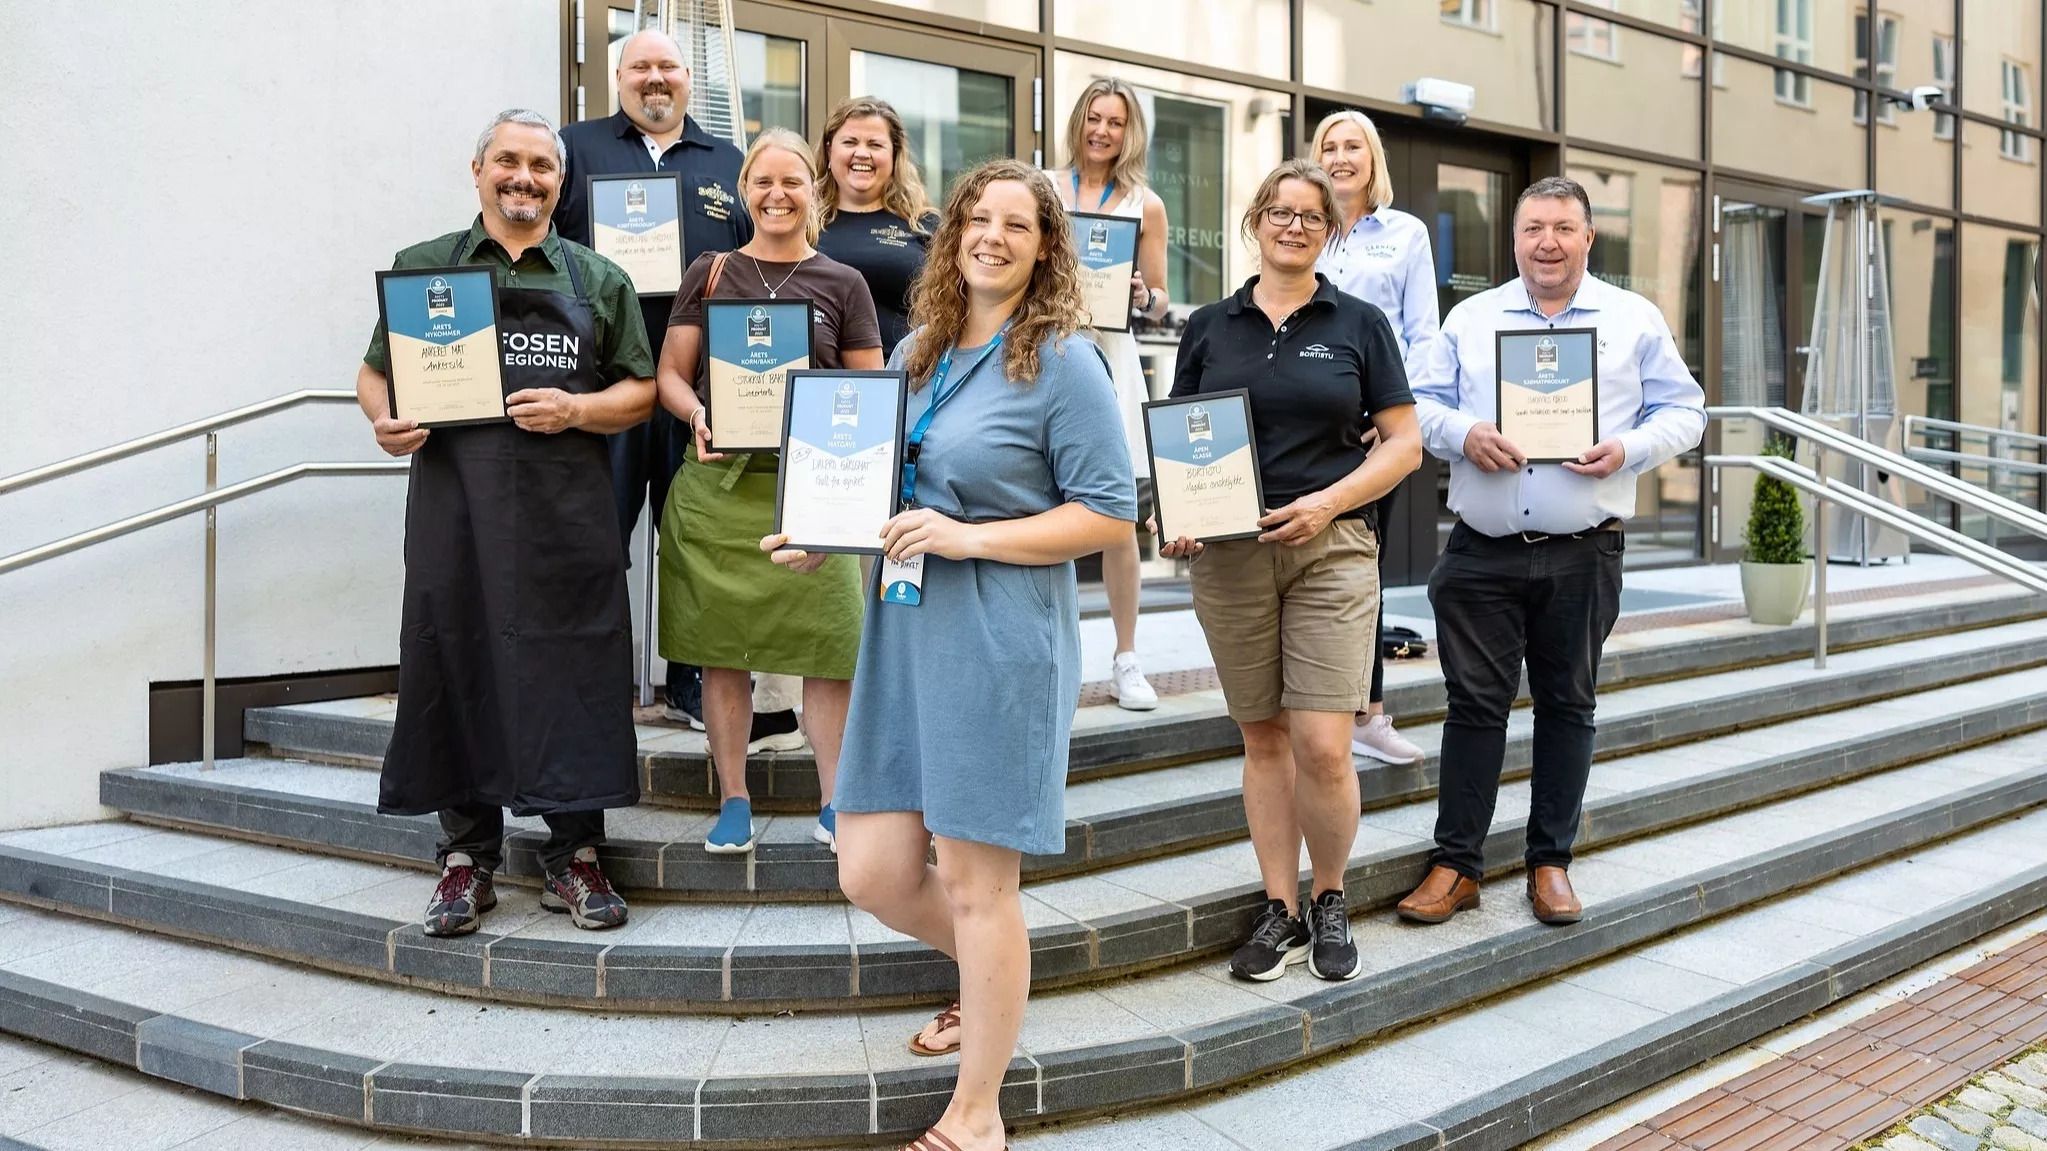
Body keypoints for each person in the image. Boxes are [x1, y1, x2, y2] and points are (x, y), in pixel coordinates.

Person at [769, 159, 1135, 1151]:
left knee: (978, 884)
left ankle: (978, 1113)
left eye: (1017, 224)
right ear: (952, 234)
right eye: (977, 217)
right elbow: (889, 488)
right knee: (873, 870)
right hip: (904, 632)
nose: (991, 236)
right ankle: (994, 975)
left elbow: (1108, 513)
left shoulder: (1063, 362)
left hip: (998, 638)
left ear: (1045, 249)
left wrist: (969, 537)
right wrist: (824, 534)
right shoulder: (917, 350)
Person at [358, 109, 652, 937]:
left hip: (568, 514)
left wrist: (577, 409)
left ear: (561, 181)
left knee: (575, 667)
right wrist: (383, 420)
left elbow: (638, 390)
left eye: (541, 166)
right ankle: (465, 859)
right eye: (508, 162)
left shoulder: (599, 277)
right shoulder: (426, 267)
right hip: (457, 508)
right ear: (478, 169)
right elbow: (374, 372)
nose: (524, 178)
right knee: (455, 655)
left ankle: (575, 853)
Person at [1396, 176, 1706, 928]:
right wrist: (1463, 433)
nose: (1547, 243)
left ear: (1588, 237)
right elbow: (1418, 406)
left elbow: (1686, 411)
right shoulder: (1472, 318)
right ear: (1514, 239)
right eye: (1533, 228)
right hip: (1482, 551)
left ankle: (1550, 863)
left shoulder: (1631, 318)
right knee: (1474, 707)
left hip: (1583, 552)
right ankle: (1456, 865)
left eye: (1563, 228)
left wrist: (1627, 448)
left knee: (1568, 704)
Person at [1164, 158, 1422, 983]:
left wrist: (1327, 502)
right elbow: (1182, 439)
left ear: (1331, 231)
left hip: (1332, 547)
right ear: (1255, 221)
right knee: (1264, 736)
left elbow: (1404, 445)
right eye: (1279, 211)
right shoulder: (1209, 326)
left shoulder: (1360, 324)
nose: (1293, 226)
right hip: (1231, 555)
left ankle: (1330, 894)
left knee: (1323, 743)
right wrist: (1178, 518)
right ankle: (1279, 907)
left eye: (1311, 215)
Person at [653, 129, 884, 853]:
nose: (777, 195)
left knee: (829, 648)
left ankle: (836, 800)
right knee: (722, 650)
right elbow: (670, 374)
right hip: (717, 491)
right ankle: (733, 799)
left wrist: (831, 441)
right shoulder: (711, 272)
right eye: (763, 181)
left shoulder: (843, 283)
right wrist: (697, 414)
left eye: (792, 181)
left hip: (813, 490)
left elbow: (871, 391)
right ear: (744, 190)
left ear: (814, 191)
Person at [555, 28, 754, 736]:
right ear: (619, 78)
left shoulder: (729, 162)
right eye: (640, 66)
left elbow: (756, 266)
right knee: (595, 539)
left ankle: (691, 685)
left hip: (696, 393)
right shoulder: (574, 149)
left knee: (697, 542)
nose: (655, 77)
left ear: (688, 80)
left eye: (668, 65)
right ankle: (591, 686)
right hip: (601, 386)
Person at [1310, 109, 1439, 767]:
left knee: (1363, 568)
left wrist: (1391, 414)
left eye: (1352, 146)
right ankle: (1306, 709)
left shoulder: (1405, 234)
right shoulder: (1302, 225)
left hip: (1372, 430)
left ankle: (1368, 714)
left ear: (1372, 159)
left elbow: (1423, 335)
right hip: (1304, 422)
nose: (1339, 157)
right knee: (1300, 560)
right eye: (1328, 146)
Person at [1047, 78, 1171, 712]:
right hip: (1044, 354)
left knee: (1116, 514)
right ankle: (1053, 656)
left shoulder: (1146, 204)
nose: (1102, 130)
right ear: (1079, 122)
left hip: (1111, 360)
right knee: (1042, 506)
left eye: (1115, 122)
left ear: (1130, 132)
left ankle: (1126, 658)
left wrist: (1143, 296)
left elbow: (1161, 298)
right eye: (1094, 118)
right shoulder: (1043, 187)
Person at [815, 97, 939, 358]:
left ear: (895, 155)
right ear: (829, 150)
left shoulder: (925, 224)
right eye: (850, 142)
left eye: (875, 144)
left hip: (907, 373)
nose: (862, 153)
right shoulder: (805, 224)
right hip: (820, 376)